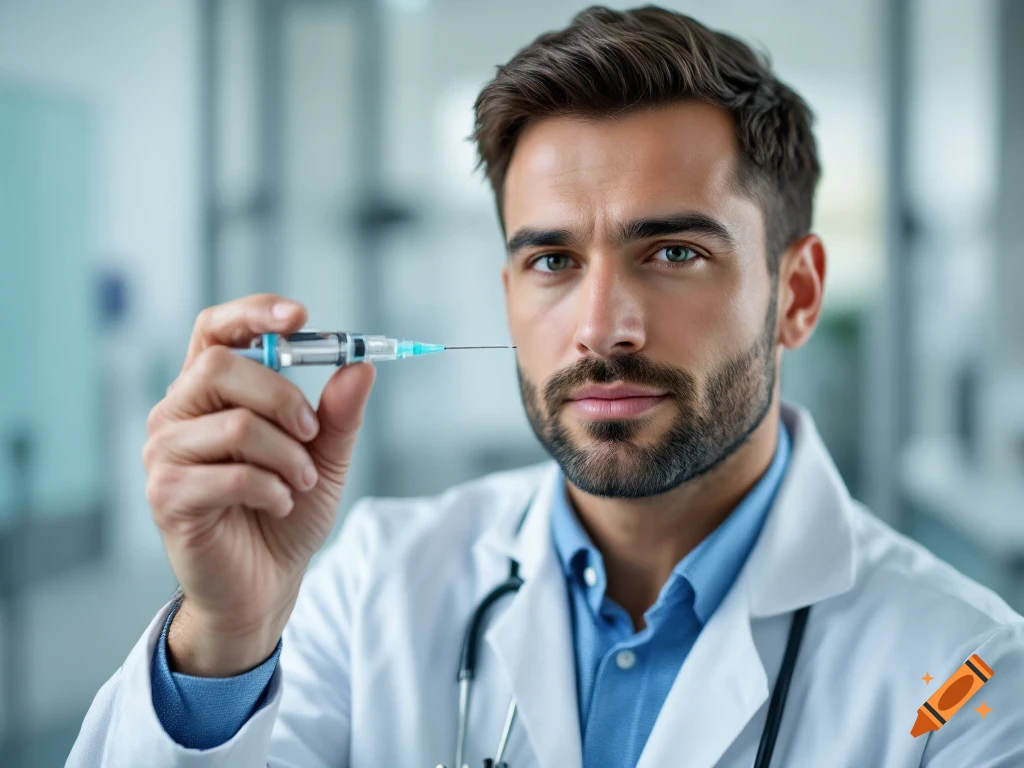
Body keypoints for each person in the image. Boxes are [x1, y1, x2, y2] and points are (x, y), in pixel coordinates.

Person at [68, 6, 1024, 768]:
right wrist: (225, 637)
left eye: (675, 251)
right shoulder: (374, 588)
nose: (602, 326)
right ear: (510, 293)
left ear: (798, 294)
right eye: (554, 261)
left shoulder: (972, 674)